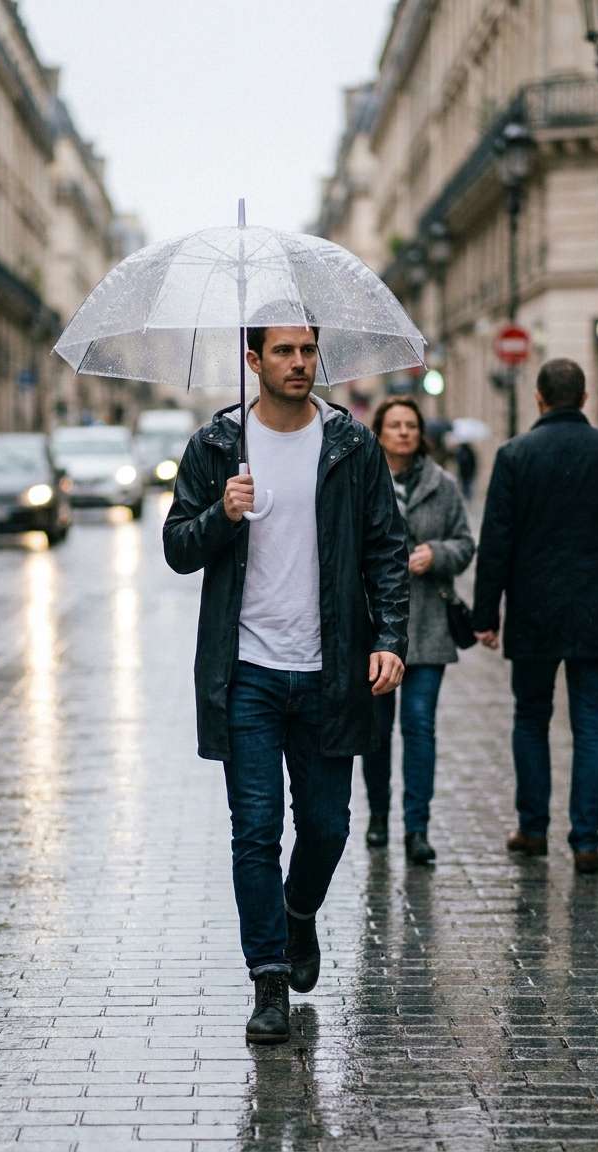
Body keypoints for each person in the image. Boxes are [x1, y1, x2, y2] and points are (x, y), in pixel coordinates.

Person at [163, 323, 408, 1045]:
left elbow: (384, 547)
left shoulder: (351, 444)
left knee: (329, 828)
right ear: (254, 360)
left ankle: (299, 916)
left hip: (331, 671)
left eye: (307, 351)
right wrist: (221, 513)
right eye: (283, 352)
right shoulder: (216, 447)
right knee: (256, 831)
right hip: (248, 673)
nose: (299, 363)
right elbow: (178, 548)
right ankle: (268, 978)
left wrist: (389, 638)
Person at [471, 358, 598, 875]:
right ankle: (586, 838)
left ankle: (533, 828)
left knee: (531, 718)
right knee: (593, 724)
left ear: (538, 398)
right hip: (595, 607)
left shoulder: (515, 455)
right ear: (585, 398)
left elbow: (497, 542)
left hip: (533, 609)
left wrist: (486, 613)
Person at [362, 398, 474, 864]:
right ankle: (377, 818)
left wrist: (438, 555)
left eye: (411, 425)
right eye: (395, 425)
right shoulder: (363, 480)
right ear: (380, 432)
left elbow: (466, 543)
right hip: (376, 627)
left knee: (420, 727)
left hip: (427, 625)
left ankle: (417, 828)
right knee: (376, 732)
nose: (404, 432)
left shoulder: (442, 485)